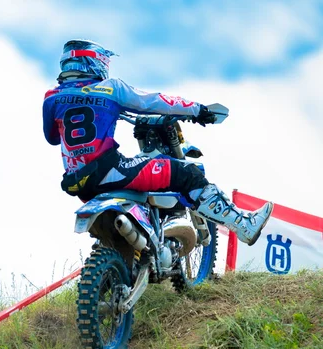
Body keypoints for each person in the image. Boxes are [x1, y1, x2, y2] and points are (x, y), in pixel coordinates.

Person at [43, 39, 273, 246]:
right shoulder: (111, 88)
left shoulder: (51, 97)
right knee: (188, 173)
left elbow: (52, 137)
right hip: (112, 172)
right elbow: (153, 101)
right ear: (94, 63)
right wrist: (198, 110)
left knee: (141, 166)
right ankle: (244, 225)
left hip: (77, 182)